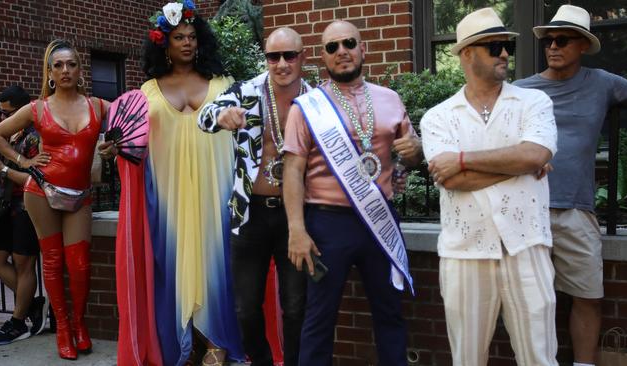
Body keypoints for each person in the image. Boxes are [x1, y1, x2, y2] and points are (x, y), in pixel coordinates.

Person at [99, 2, 244, 365]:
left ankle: (218, 343)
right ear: (163, 43)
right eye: (179, 36)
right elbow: (134, 146)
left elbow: (247, 140)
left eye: (193, 37)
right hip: (167, 196)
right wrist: (113, 149)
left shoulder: (224, 85)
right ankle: (182, 345)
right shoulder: (145, 92)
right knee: (169, 271)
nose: (187, 43)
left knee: (218, 266)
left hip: (216, 193)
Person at [420, 8, 559, 366]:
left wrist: (463, 160)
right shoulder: (437, 116)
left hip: (527, 245)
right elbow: (450, 180)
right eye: (494, 46)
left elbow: (535, 153)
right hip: (464, 252)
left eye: (506, 47)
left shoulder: (534, 102)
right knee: (467, 359)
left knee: (540, 359)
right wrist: (523, 165)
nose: (504, 55)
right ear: (467, 54)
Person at [282, 20, 422, 366]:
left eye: (348, 43)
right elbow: (293, 171)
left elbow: (412, 157)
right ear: (323, 57)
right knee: (319, 318)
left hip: (380, 220)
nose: (341, 51)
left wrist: (416, 151)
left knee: (390, 312)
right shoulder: (307, 107)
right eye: (332, 47)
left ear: (363, 49)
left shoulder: (390, 99)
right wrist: (296, 230)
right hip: (327, 225)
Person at [513, 5, 627, 366]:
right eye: (549, 39)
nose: (553, 45)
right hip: (526, 209)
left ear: (582, 45)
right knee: (530, 300)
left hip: (577, 211)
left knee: (588, 295)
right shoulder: (520, 90)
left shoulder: (603, 83)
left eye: (562, 39)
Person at [0, 40, 109, 360]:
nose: (65, 70)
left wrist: (115, 146)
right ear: (50, 73)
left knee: (80, 264)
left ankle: (80, 325)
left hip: (79, 196)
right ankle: (64, 330)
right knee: (53, 263)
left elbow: (132, 122)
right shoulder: (38, 108)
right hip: (41, 192)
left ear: (80, 70)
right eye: (58, 65)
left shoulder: (98, 106)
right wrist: (22, 161)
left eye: (71, 64)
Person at [198, 27, 309, 366]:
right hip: (250, 213)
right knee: (245, 307)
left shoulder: (316, 100)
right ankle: (260, 361)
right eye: (273, 56)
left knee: (295, 305)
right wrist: (220, 115)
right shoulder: (245, 91)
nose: (281, 63)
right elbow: (203, 118)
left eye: (289, 55)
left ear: (302, 57)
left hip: (296, 215)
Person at [0, 85, 48, 346]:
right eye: (0, 113)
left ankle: (18, 321)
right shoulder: (8, 134)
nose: (2, 119)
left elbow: (38, 179)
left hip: (27, 207)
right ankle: (33, 306)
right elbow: (5, 168)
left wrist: (2, 170)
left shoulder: (36, 136)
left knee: (24, 264)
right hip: (6, 206)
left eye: (6, 114)